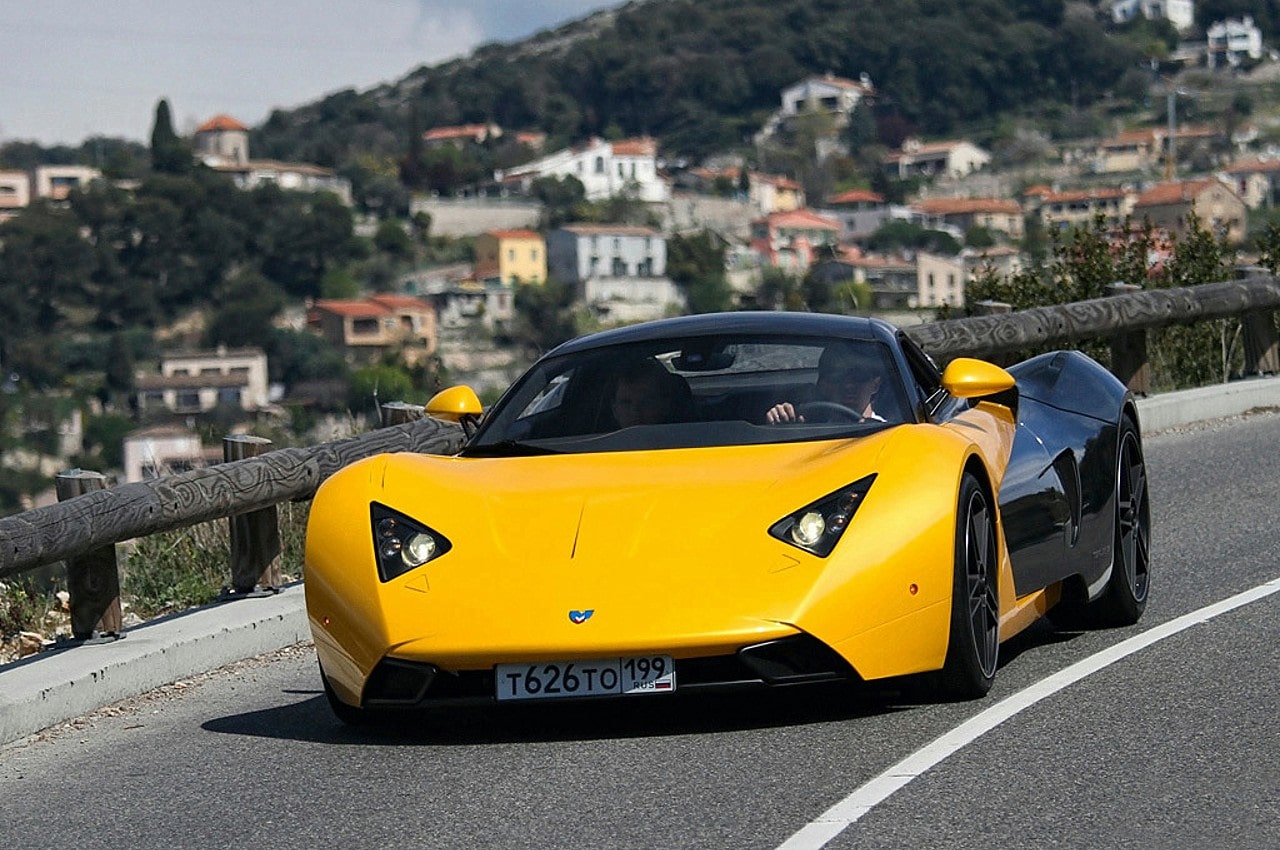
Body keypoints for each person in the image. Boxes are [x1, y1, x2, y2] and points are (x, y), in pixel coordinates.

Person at [765, 343, 884, 424]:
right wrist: (779, 422)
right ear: (823, 385)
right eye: (838, 376)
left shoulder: (890, 436)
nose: (849, 385)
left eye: (859, 376)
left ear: (876, 385)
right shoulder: (806, 431)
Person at [609, 357, 693, 428]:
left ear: (665, 405)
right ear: (615, 410)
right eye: (626, 403)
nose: (635, 412)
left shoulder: (691, 437)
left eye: (646, 402)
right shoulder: (603, 441)